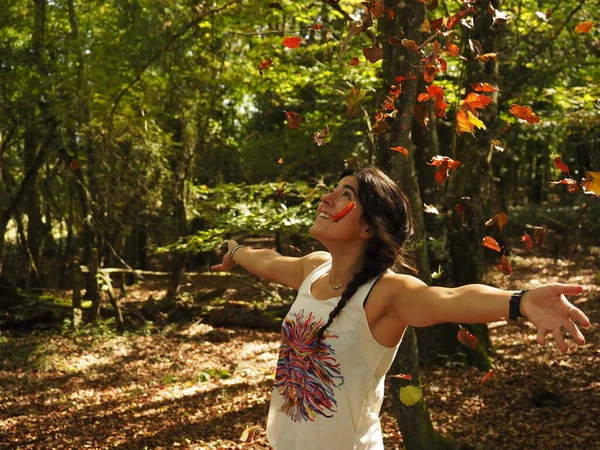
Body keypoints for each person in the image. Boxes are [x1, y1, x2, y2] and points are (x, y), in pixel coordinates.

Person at [211, 166, 590, 450]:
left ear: (368, 229)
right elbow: (268, 262)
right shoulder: (314, 269)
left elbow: (449, 298)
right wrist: (235, 251)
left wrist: (519, 301)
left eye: (346, 195)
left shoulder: (387, 292)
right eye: (333, 190)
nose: (327, 198)